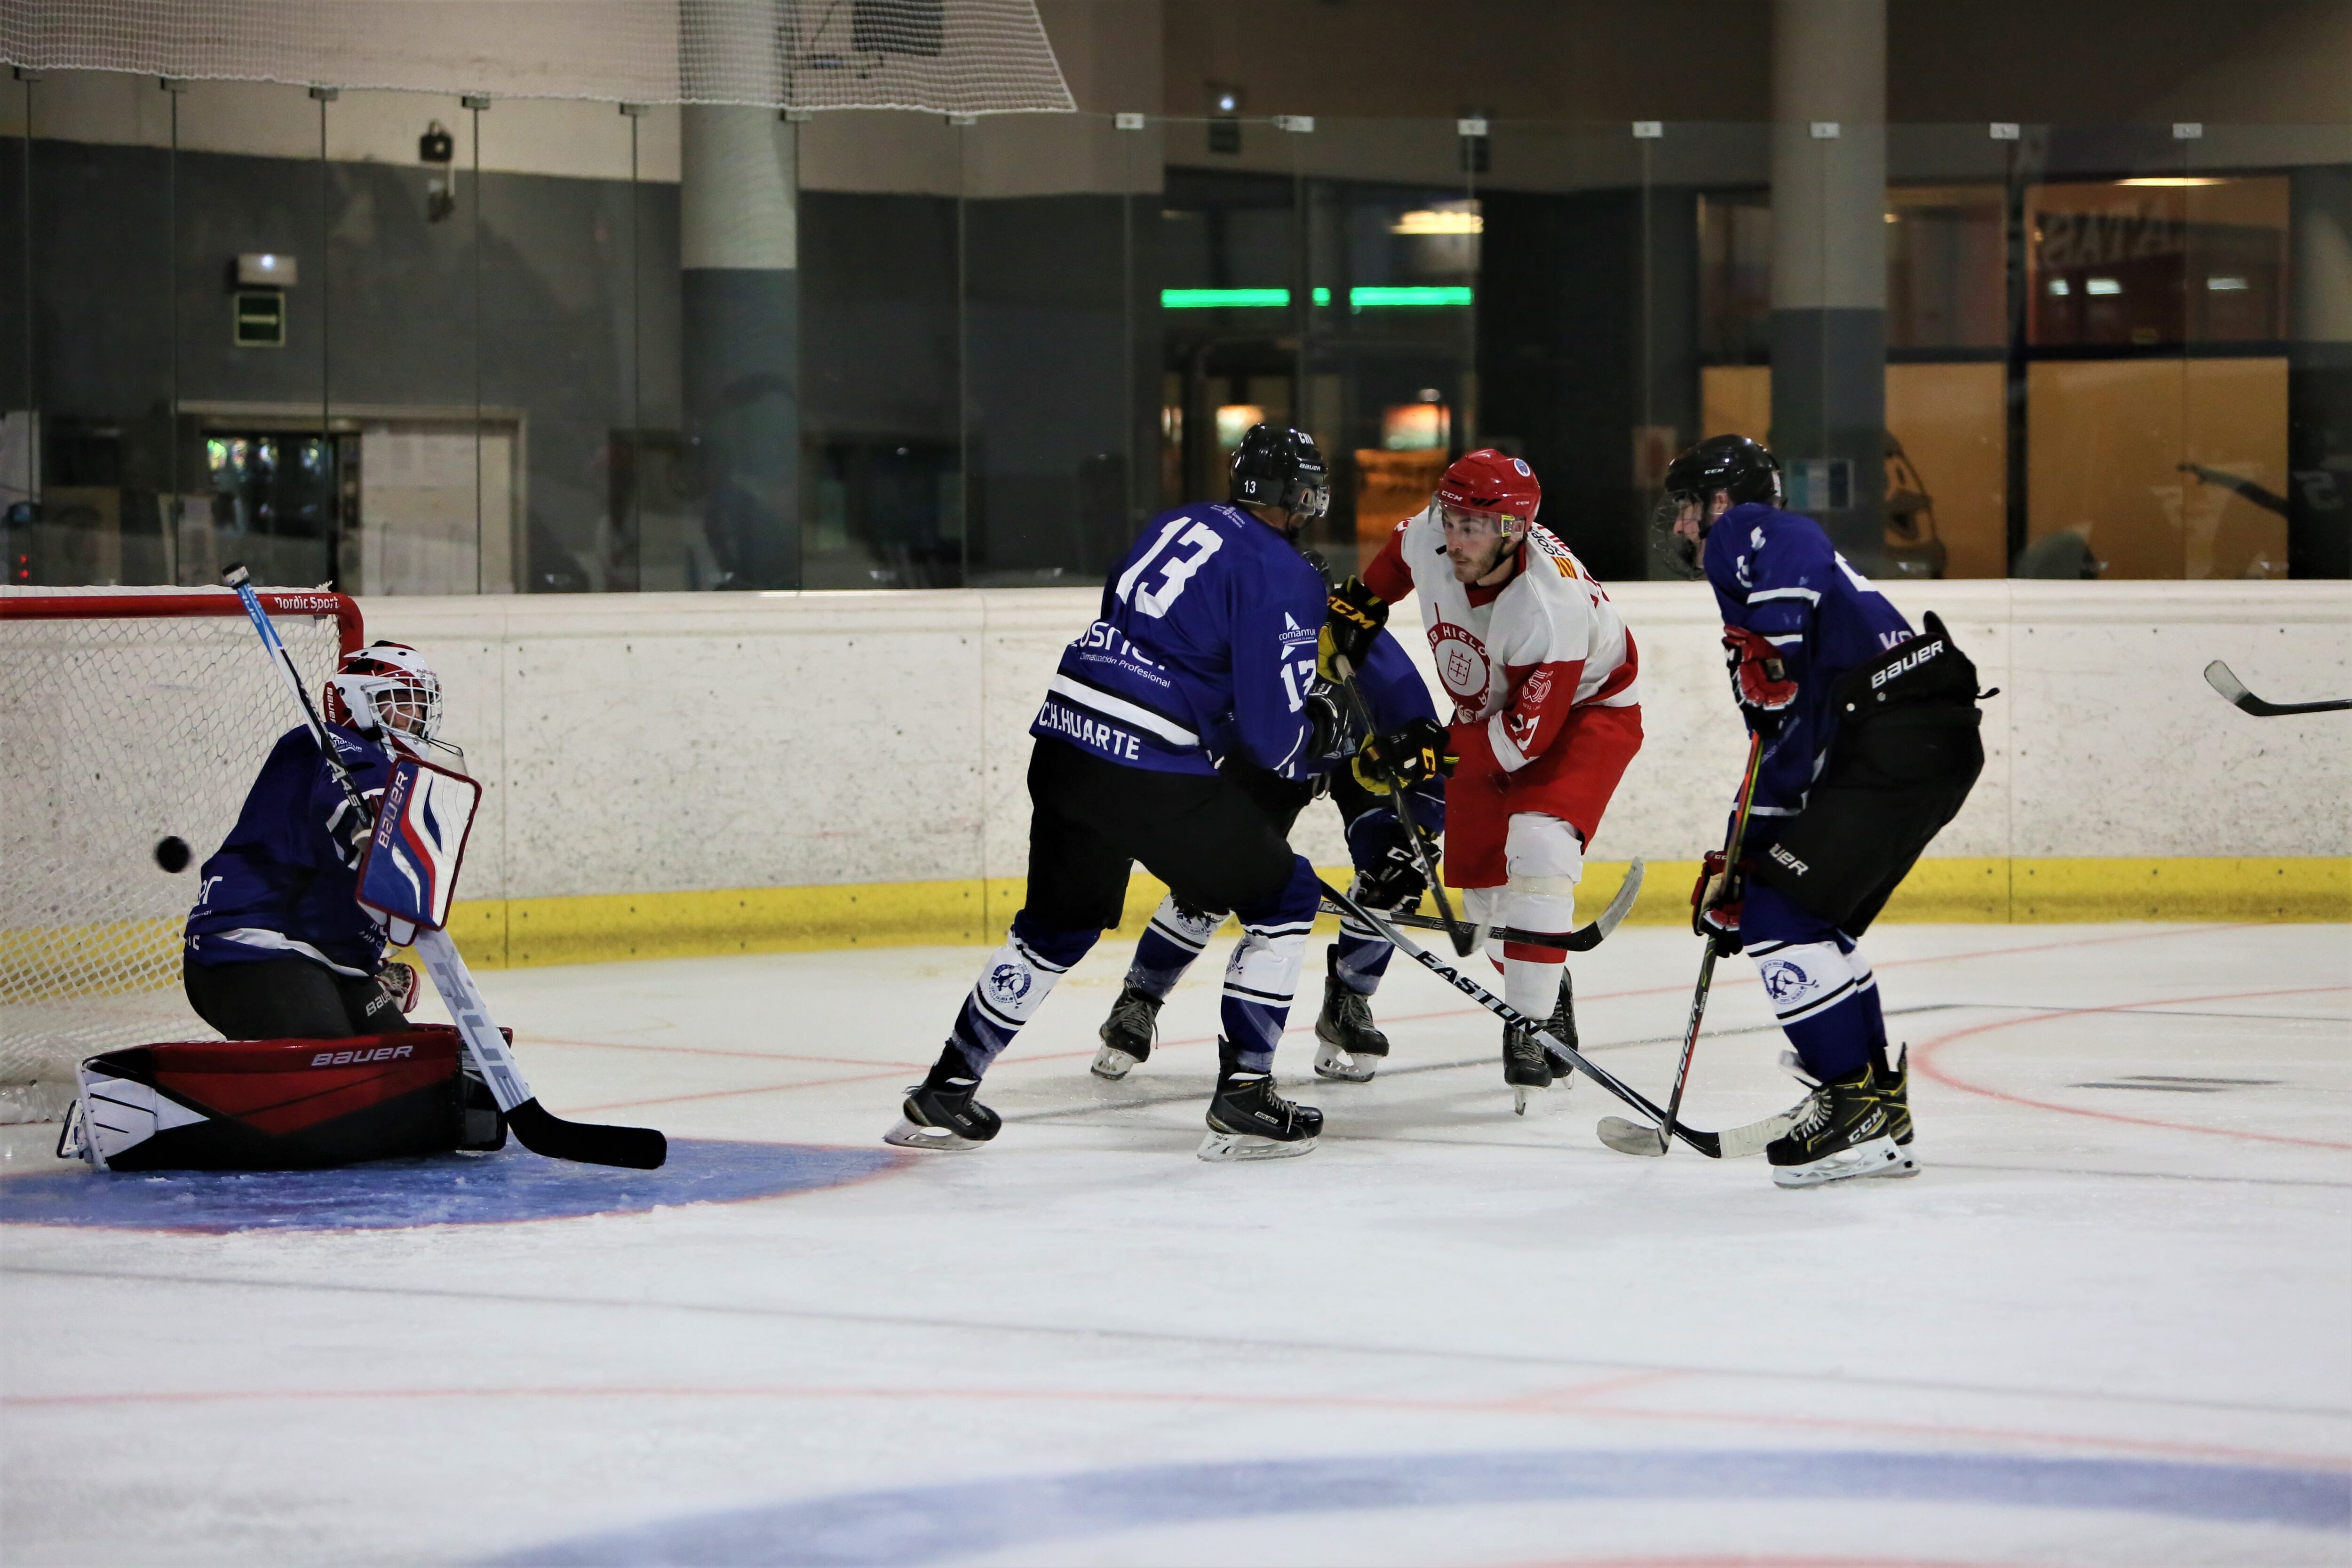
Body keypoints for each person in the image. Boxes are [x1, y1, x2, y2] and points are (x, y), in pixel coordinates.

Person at [886, 425, 1432, 1161]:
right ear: (1305, 494)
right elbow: (1276, 744)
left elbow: (1162, 635)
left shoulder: (1179, 522)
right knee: (1284, 898)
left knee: (1056, 925)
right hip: (1143, 765)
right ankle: (1244, 1094)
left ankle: (946, 1087)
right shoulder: (1285, 572)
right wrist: (1326, 740)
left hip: (1064, 741)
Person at [1660, 433, 1986, 1187]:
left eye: (1685, 508)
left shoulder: (1746, 532)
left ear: (1717, 500)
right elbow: (1786, 745)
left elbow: (1797, 548)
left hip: (1899, 737)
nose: (1681, 527)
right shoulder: (1778, 617)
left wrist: (1769, 641)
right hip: (1919, 742)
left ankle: (1853, 1108)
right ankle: (1874, 1108)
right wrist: (1746, 856)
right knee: (1806, 915)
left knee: (1784, 917)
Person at [1323, 449, 1645, 1109]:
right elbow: (1399, 556)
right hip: (1487, 714)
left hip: (1586, 714)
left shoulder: (1546, 605)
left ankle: (1525, 1028)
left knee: (1539, 844)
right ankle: (1546, 987)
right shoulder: (1438, 531)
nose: (1457, 535)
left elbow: (1527, 741)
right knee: (1485, 899)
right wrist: (1361, 608)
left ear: (1514, 531)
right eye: (1453, 517)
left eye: (1475, 525)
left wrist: (1431, 752)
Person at [1091, 615, 1446, 1087]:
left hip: (1361, 761)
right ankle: (1139, 999)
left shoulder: (1367, 649)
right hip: (1270, 759)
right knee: (1211, 876)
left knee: (1394, 868)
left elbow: (1423, 741)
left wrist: (1417, 834)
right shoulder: (1240, 639)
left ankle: (1348, 1002)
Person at [181, 641, 445, 1042]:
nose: (415, 716)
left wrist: (375, 962)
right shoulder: (327, 744)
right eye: (401, 701)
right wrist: (361, 829)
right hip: (251, 944)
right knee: (335, 1062)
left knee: (398, 1058)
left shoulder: (395, 778)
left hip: (329, 959)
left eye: (420, 705)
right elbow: (335, 802)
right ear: (357, 702)